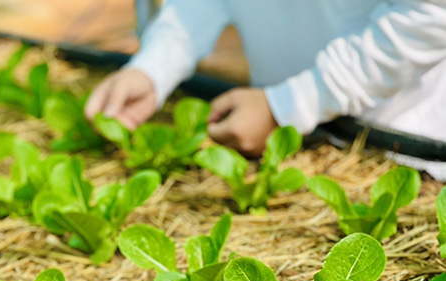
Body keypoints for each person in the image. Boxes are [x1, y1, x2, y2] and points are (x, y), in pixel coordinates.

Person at [84, 0, 446, 158]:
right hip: (274, 131)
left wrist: (292, 102)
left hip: (397, 140)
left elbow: (429, 16)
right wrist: (153, 67)